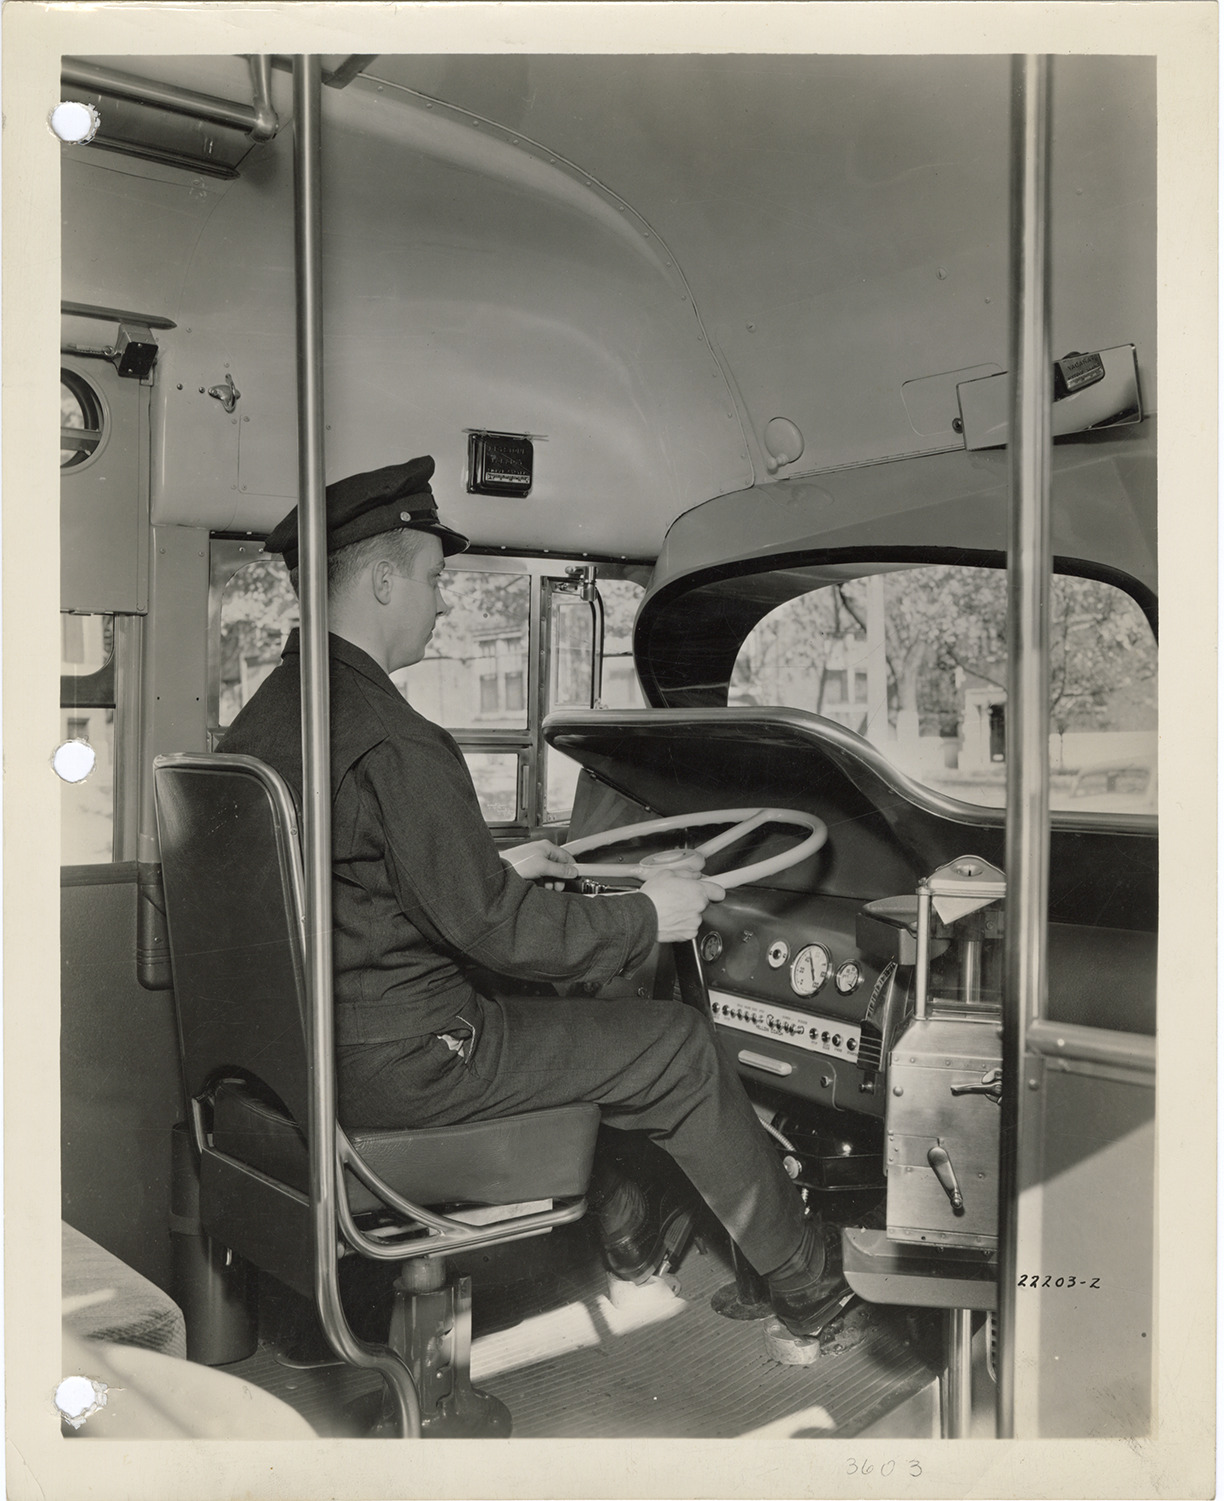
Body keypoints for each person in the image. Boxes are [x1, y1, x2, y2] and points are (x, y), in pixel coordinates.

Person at [222, 455, 847, 1338]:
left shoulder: (268, 717)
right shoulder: (395, 740)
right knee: (675, 1044)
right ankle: (812, 1281)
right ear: (384, 580)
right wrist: (649, 914)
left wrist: (502, 865)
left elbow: (356, 880)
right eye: (434, 579)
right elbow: (500, 933)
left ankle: (628, 1226)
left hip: (315, 1053)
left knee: (586, 1017)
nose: (443, 602)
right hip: (414, 1062)